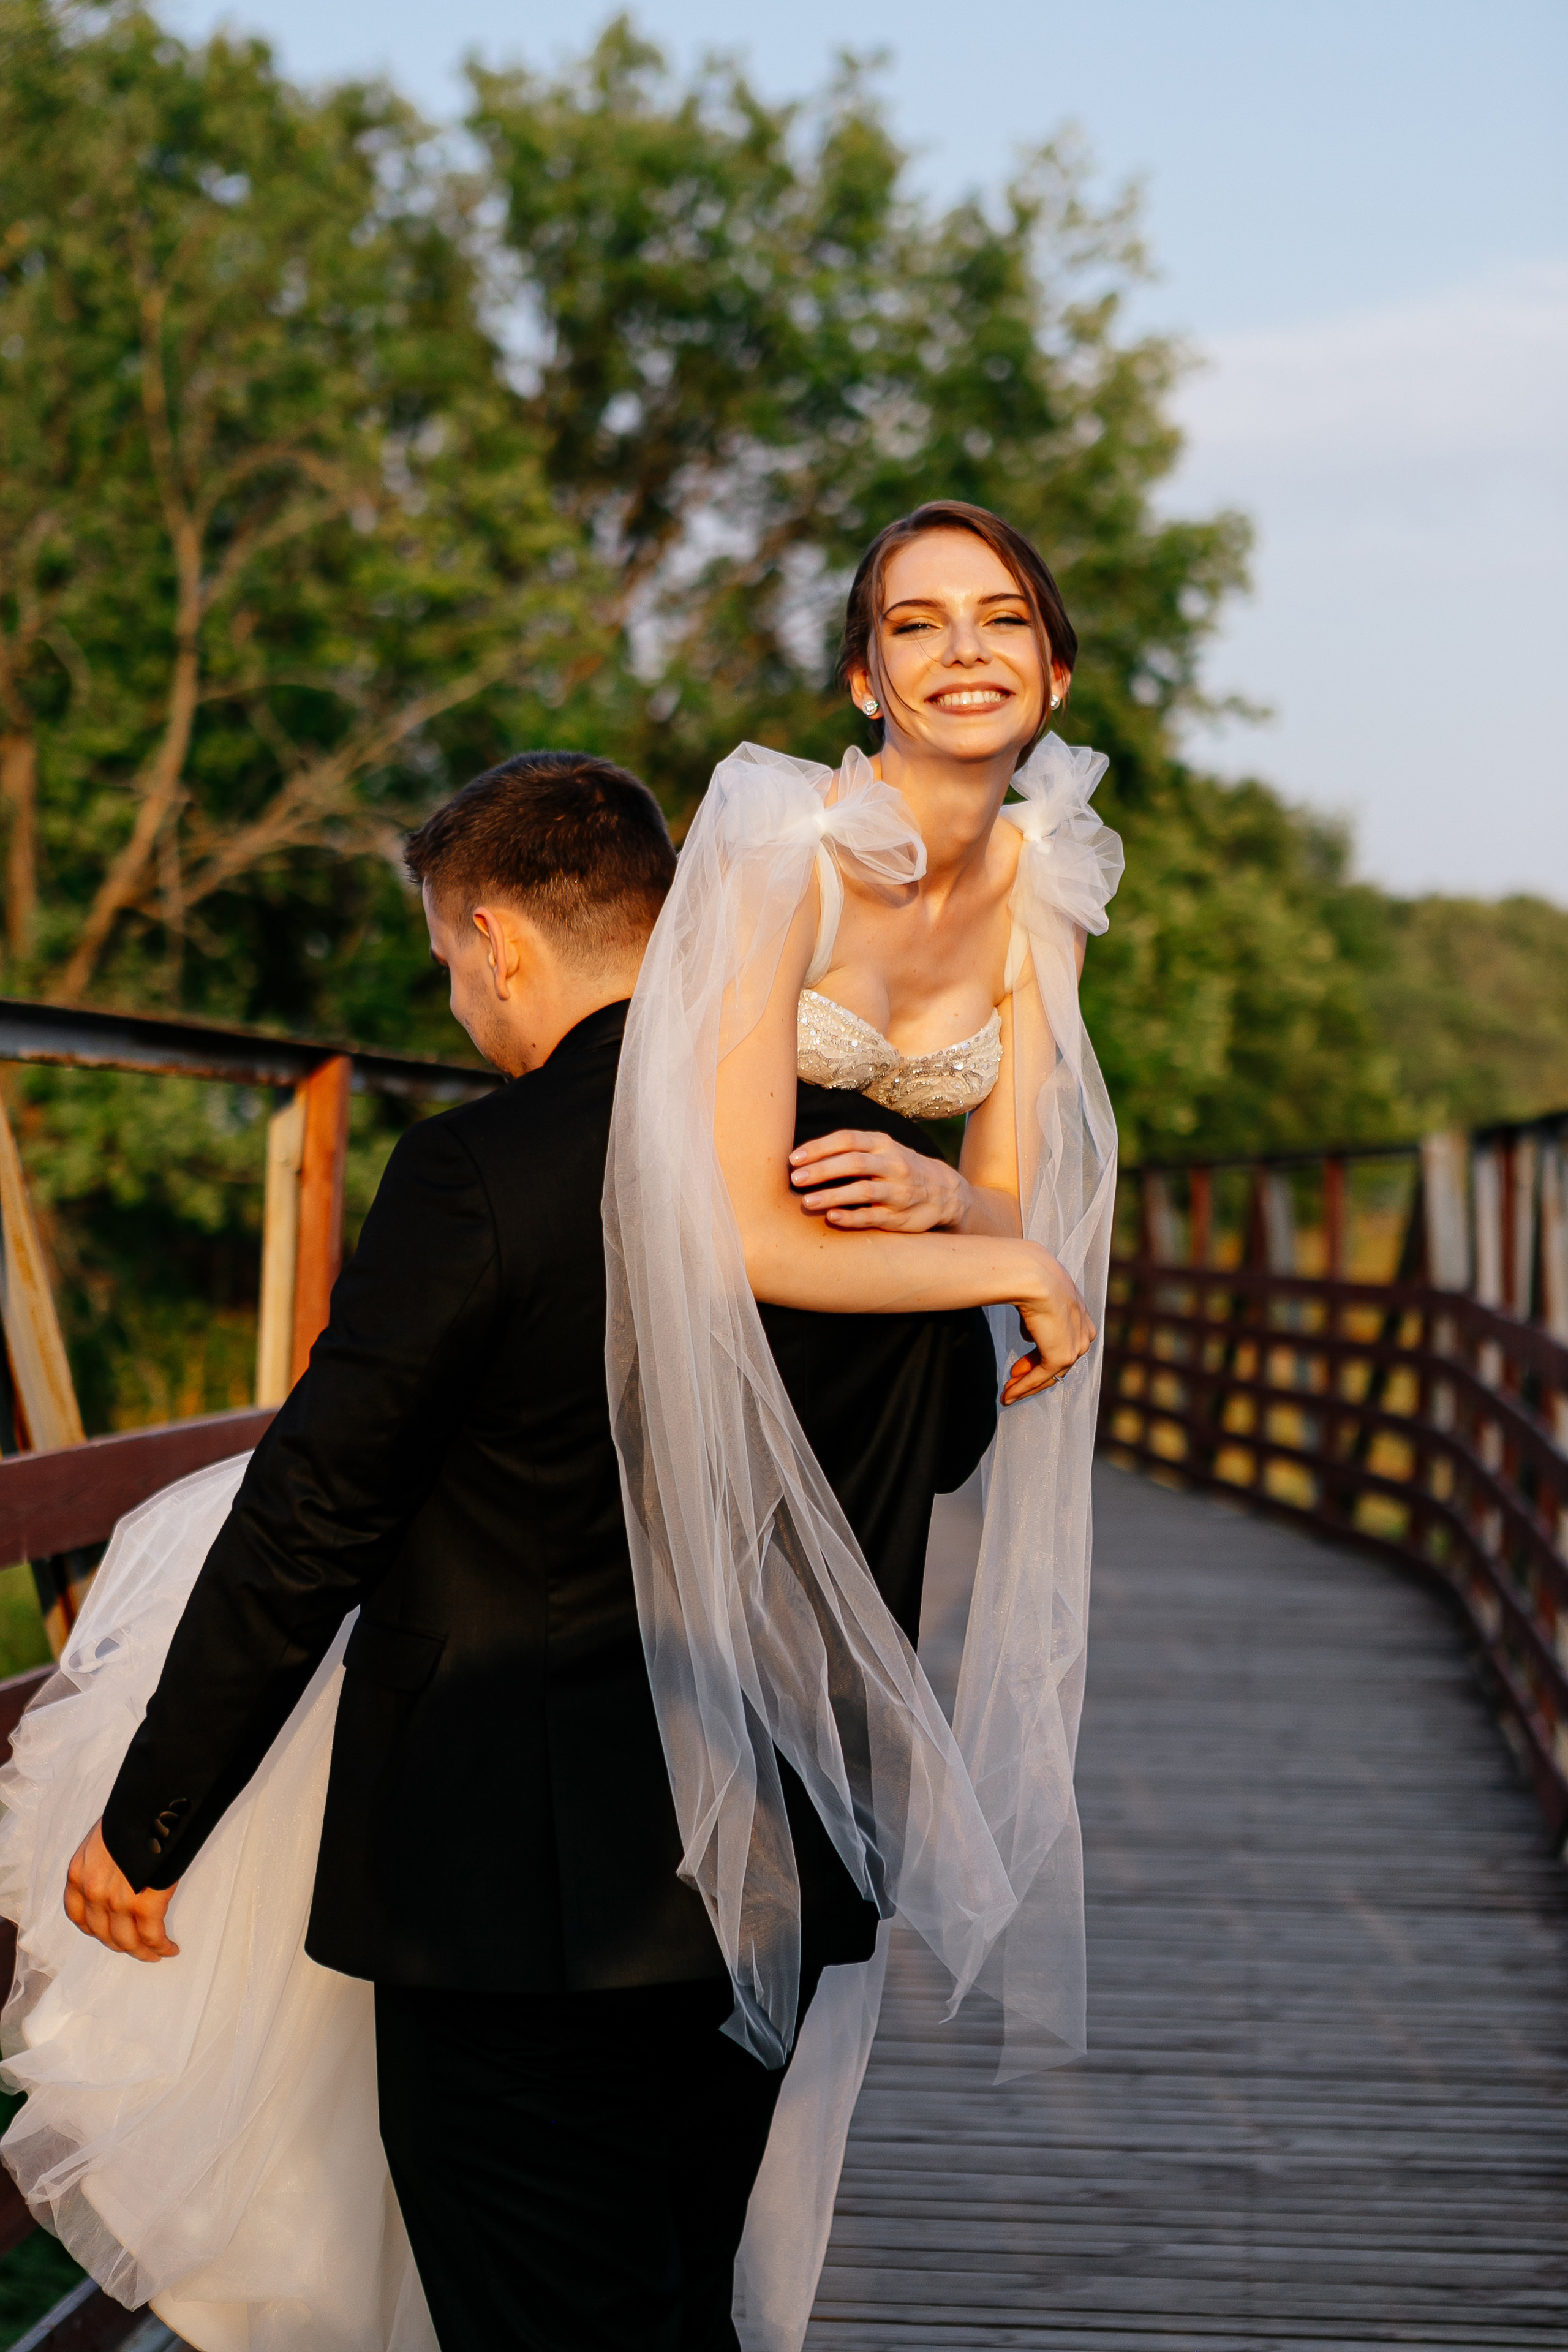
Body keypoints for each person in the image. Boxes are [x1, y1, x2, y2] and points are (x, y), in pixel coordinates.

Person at [0, 501, 1119, 2352]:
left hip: (515, 1906)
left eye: (450, 960)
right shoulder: (884, 1201)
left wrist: (152, 1816)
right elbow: (938, 1449)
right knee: (679, 2305)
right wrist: (984, 1240)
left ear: (501, 941)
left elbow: (315, 1514)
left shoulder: (485, 1175)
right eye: (919, 624)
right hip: (773, 1863)